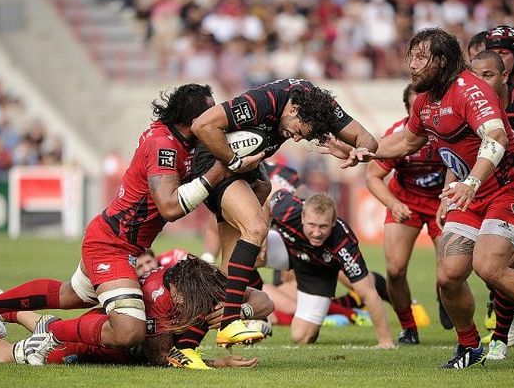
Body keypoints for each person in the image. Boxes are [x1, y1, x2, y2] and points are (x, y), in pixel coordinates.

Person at [0, 84, 234, 365]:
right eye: (210, 111)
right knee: (129, 331)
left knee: (68, 295)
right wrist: (219, 169)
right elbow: (170, 206)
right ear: (193, 119)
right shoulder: (163, 143)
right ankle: (50, 333)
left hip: (120, 240)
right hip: (113, 244)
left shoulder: (182, 140)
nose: (215, 117)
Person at [328, 27, 514, 369]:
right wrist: (362, 150)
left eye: (420, 58)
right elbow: (406, 143)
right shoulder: (425, 101)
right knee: (448, 276)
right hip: (470, 192)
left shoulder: (470, 90)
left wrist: (470, 181)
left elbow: (496, 136)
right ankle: (469, 348)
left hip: (508, 186)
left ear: (441, 61)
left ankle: (499, 334)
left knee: (489, 266)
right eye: (410, 56)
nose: (411, 65)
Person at [190, 78, 378, 348]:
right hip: (214, 161)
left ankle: (185, 343)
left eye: (308, 136)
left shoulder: (319, 106)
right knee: (256, 228)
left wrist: (359, 152)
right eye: (301, 130)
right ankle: (230, 324)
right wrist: (234, 162)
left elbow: (367, 139)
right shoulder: (261, 103)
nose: (299, 138)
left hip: (248, 170)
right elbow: (202, 125)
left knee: (227, 274)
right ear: (292, 111)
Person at [0, 256, 272, 369]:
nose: (191, 310)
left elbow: (264, 301)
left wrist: (238, 307)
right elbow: (161, 359)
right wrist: (217, 363)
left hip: (96, 322)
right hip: (89, 345)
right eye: (187, 305)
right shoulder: (158, 298)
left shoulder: (201, 282)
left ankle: (0, 308)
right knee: (6, 356)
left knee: (52, 322)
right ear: (176, 293)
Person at [365, 84, 449, 345]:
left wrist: (449, 196)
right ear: (408, 111)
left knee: (450, 273)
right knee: (395, 269)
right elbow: (372, 176)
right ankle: (408, 328)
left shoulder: (449, 131)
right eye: (417, 110)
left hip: (442, 201)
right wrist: (393, 204)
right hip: (405, 200)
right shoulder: (396, 136)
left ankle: (446, 297)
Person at [260, 190, 394, 347]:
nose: (316, 233)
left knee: (301, 336)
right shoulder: (287, 208)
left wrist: (386, 341)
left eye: (323, 226)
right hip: (288, 249)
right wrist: (261, 238)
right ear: (303, 218)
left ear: (333, 222)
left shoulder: (344, 242)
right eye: (312, 225)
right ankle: (236, 311)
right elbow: (270, 200)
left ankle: (329, 313)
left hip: (318, 270)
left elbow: (369, 294)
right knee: (251, 249)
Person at [469, 49, 514, 360]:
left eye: (488, 75)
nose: (481, 82)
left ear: (505, 76)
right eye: (476, 75)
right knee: (508, 262)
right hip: (500, 193)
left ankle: (502, 332)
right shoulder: (474, 110)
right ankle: (505, 330)